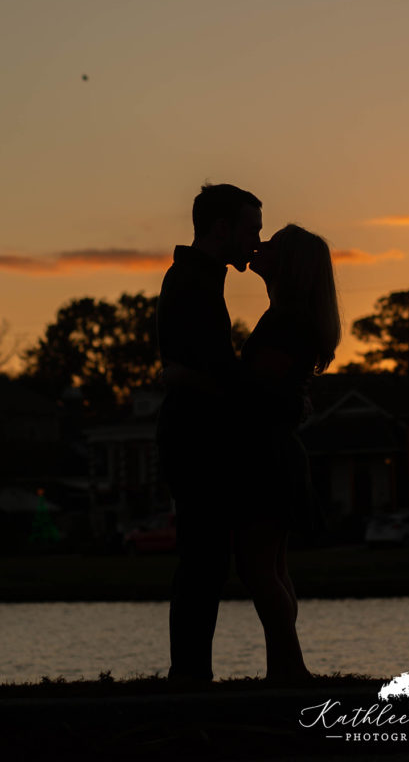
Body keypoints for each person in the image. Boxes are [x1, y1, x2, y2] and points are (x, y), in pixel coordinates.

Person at [156, 182, 263, 682]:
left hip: (197, 436)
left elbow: (202, 369)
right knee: (203, 561)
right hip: (196, 441)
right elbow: (218, 370)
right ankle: (190, 677)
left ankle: (192, 675)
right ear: (222, 229)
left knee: (205, 560)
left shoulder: (197, 278)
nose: (255, 243)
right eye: (250, 230)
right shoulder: (193, 284)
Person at [233, 224, 341, 684]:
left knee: (257, 566)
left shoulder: (285, 322)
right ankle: (284, 665)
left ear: (289, 264)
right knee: (271, 565)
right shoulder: (290, 318)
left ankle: (289, 665)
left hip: (266, 454)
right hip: (275, 452)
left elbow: (259, 390)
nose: (261, 246)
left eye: (273, 244)